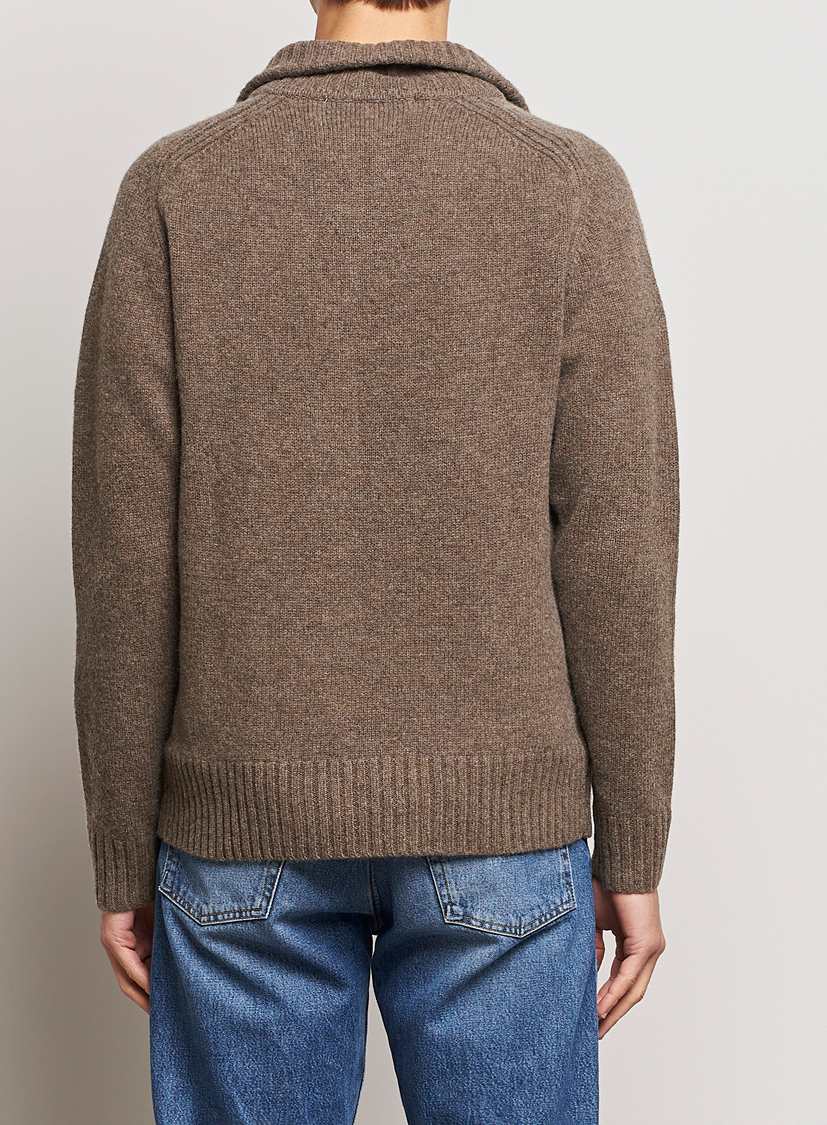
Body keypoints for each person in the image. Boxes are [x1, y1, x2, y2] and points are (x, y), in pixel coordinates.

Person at [71, 0, 678, 1120]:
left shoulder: (175, 189)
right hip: (502, 824)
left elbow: (124, 563)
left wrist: (121, 851)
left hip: (240, 820)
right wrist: (633, 847)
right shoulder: (571, 188)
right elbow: (619, 549)